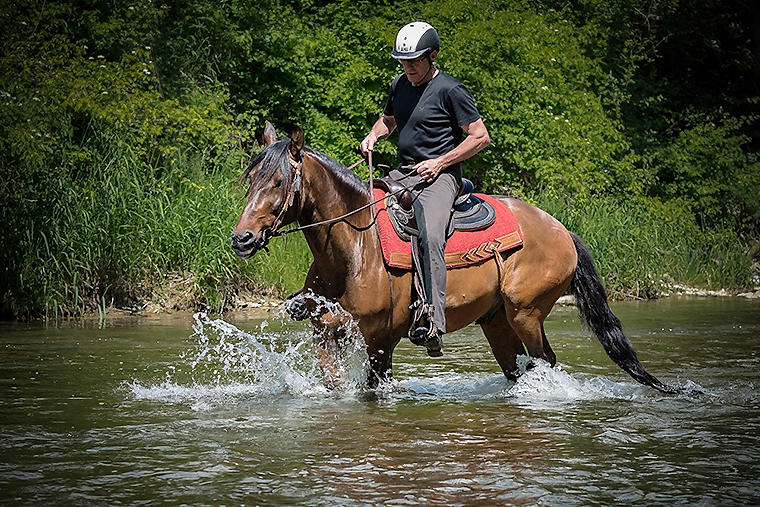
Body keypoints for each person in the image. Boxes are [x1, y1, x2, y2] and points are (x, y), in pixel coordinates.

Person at [360, 21, 490, 357]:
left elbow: (480, 137)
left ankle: (433, 318)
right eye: (404, 62)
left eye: (415, 61)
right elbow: (388, 120)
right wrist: (375, 134)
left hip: (440, 177)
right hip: (404, 172)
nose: (409, 68)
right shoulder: (399, 84)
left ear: (432, 55)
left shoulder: (451, 90)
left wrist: (440, 163)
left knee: (431, 234)